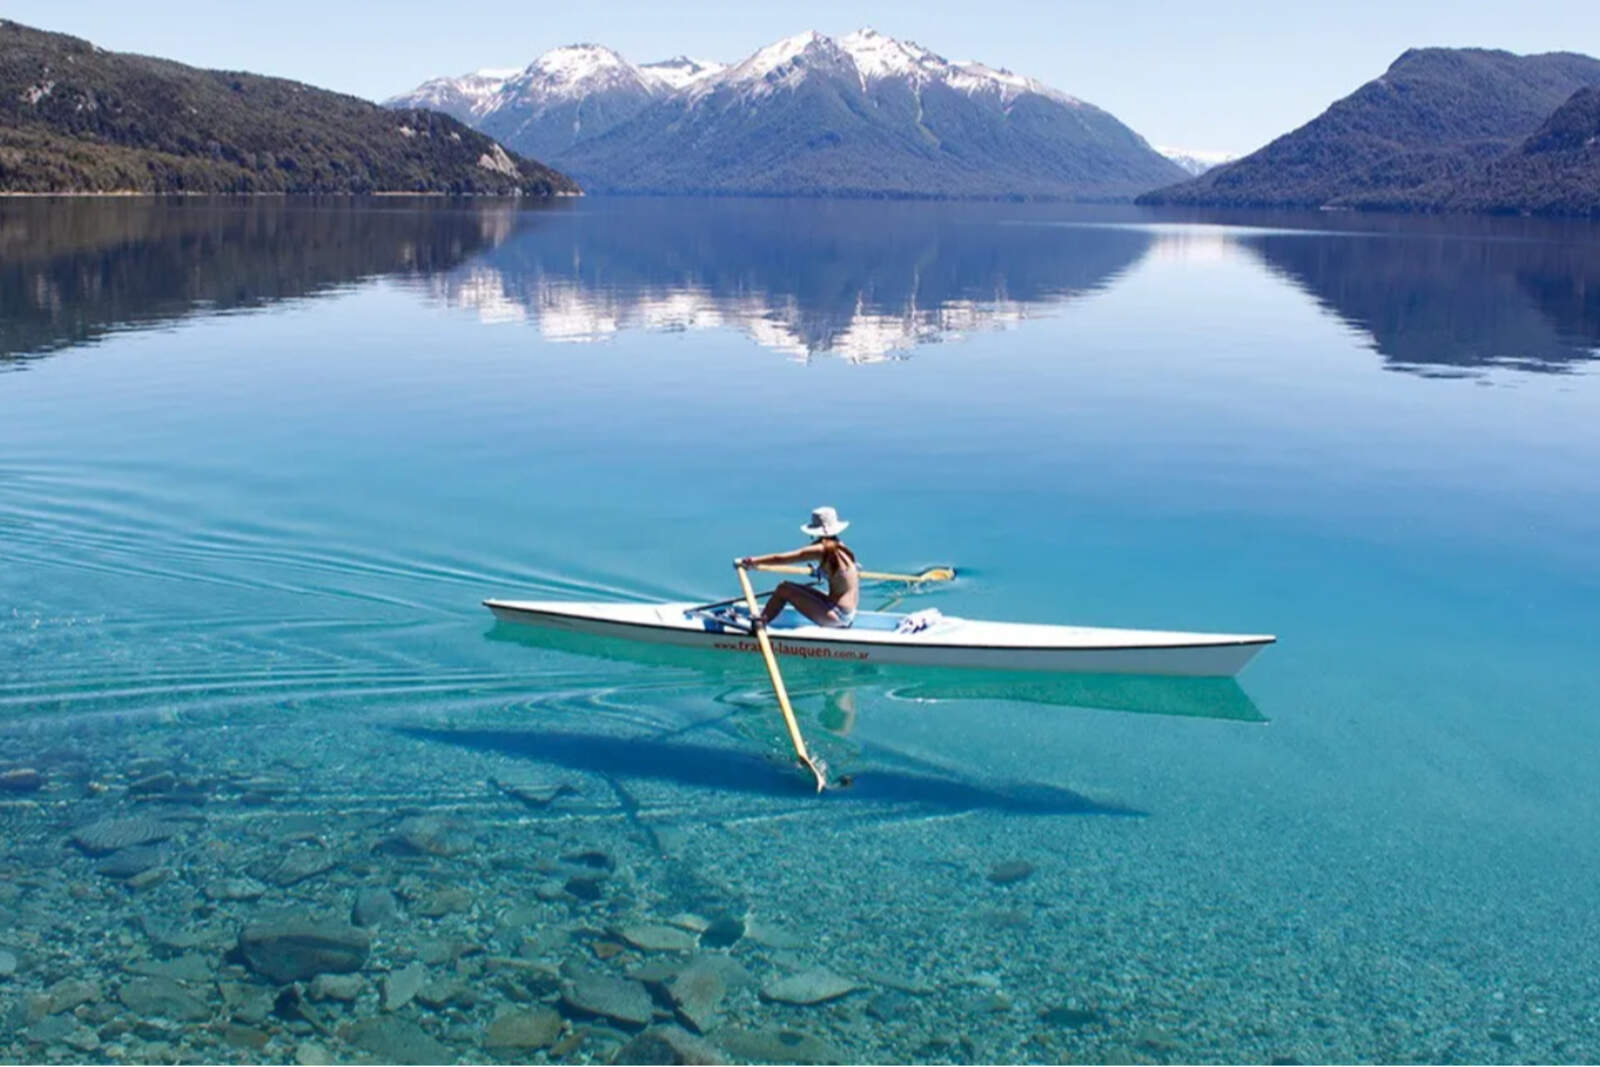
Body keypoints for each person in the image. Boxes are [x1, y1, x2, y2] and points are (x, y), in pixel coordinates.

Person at [739, 506, 860, 630]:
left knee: (783, 589)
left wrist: (751, 561)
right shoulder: (841, 548)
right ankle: (762, 619)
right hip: (846, 614)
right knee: (788, 586)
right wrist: (818, 571)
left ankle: (760, 624)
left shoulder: (822, 549)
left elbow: (780, 559)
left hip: (836, 615)